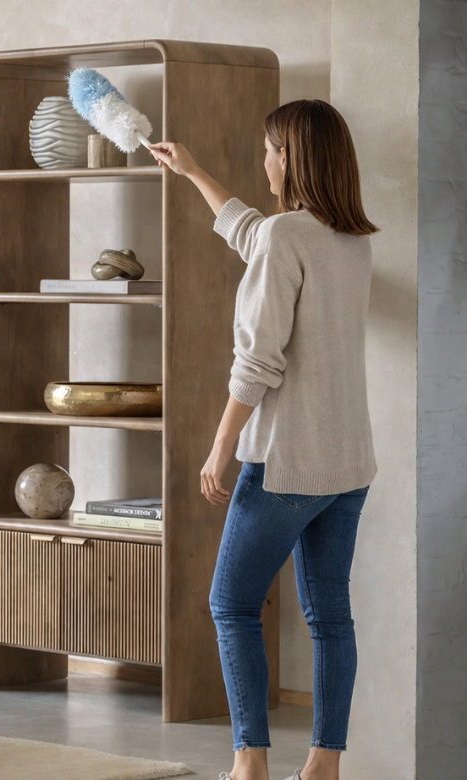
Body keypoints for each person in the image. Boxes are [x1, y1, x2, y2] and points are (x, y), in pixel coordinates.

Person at [148, 99, 377, 780]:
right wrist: (191, 171)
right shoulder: (348, 237)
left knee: (231, 604)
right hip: (348, 465)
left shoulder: (288, 238)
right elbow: (250, 231)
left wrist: (220, 449)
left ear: (295, 158)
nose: (265, 160)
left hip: (284, 466)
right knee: (330, 616)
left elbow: (257, 362)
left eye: (272, 149)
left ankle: (249, 761)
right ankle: (323, 765)